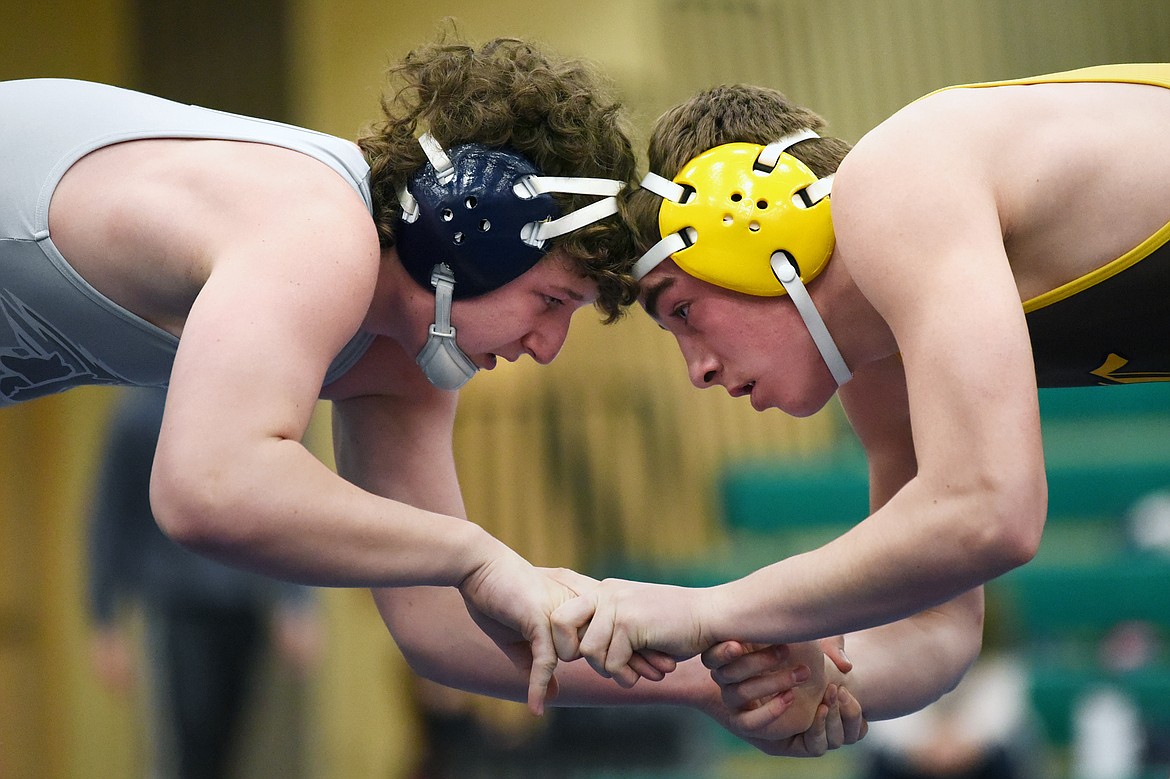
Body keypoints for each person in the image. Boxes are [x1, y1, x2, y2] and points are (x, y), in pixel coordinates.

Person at [0, 35, 860, 754]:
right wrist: (475, 554)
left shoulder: (396, 358)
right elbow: (205, 487)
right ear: (466, 234)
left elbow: (441, 630)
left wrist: (704, 684)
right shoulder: (317, 229)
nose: (547, 346)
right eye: (552, 301)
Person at [550, 63, 1170, 725]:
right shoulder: (880, 352)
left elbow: (993, 513)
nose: (696, 372)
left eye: (680, 312)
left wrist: (709, 609)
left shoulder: (894, 179)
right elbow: (938, 624)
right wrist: (812, 683)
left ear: (751, 229)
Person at [87, 386, 320, 779]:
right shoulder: (140, 413)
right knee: (185, 744)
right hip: (175, 608)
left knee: (240, 744)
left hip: (247, 600)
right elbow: (111, 520)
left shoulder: (255, 407)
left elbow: (288, 504)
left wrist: (297, 601)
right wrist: (104, 621)